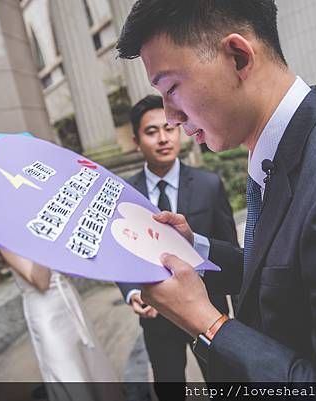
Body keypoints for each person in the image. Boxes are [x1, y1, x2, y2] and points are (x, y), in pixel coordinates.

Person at [116, 0, 316, 381]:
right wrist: (194, 249)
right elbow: (284, 277)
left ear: (238, 56)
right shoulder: (283, 152)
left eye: (172, 87)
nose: (170, 116)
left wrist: (207, 323)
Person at [117, 95, 237, 398]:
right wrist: (132, 292)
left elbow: (231, 250)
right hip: (157, 318)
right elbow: (119, 254)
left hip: (209, 311)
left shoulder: (209, 185)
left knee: (224, 385)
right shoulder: (124, 193)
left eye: (169, 128)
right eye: (151, 131)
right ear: (136, 140)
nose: (163, 138)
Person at [0, 250, 123, 401]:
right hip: (46, 314)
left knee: (94, 367)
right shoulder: (5, 242)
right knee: (68, 373)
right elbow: (41, 281)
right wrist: (42, 236)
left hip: (69, 301)